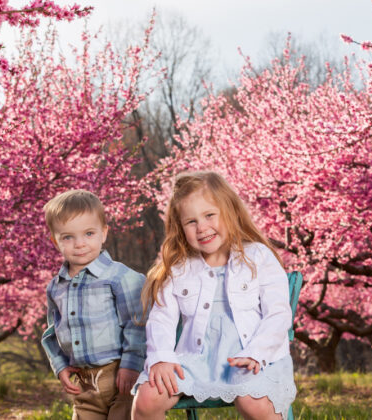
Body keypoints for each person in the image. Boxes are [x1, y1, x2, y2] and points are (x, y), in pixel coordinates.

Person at [132, 171, 297, 420]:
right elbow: (161, 319)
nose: (202, 228)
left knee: (253, 403)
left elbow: (278, 314)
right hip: (194, 362)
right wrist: (161, 358)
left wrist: (257, 352)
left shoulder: (258, 257)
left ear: (229, 211)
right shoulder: (179, 267)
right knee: (146, 399)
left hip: (251, 358)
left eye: (209, 215)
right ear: (180, 228)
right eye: (191, 222)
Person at [41, 189, 146, 420]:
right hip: (84, 384)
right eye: (67, 237)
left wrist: (132, 364)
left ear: (104, 233)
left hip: (121, 376)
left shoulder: (120, 277)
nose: (79, 244)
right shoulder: (56, 287)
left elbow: (137, 324)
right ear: (54, 241)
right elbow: (51, 332)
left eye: (89, 233)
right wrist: (60, 365)